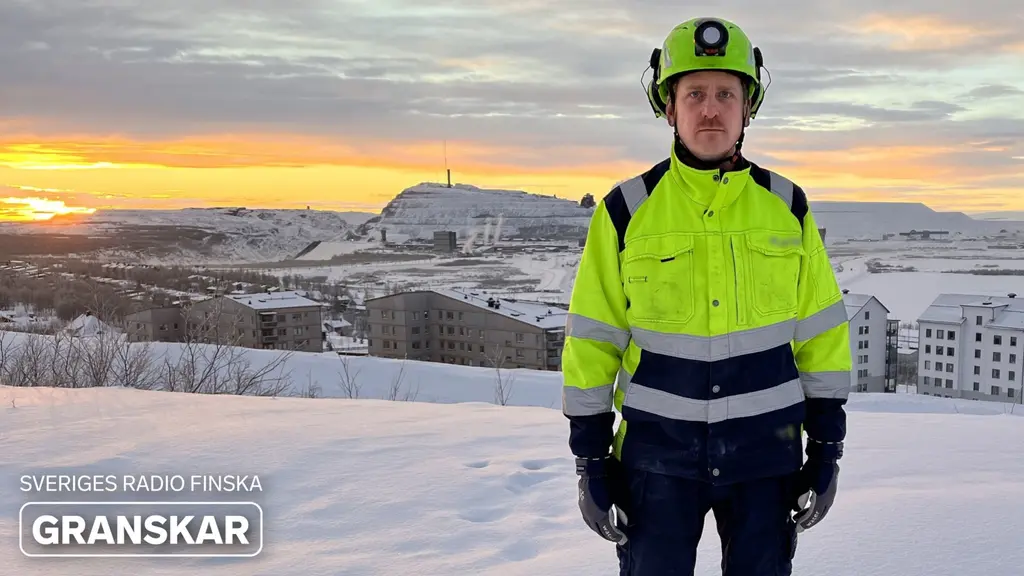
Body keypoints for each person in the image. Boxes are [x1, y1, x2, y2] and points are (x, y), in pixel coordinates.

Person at [561, 16, 852, 576]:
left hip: (765, 464)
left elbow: (821, 336)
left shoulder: (788, 207)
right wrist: (591, 462)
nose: (711, 108)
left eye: (726, 92)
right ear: (669, 108)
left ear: (749, 107)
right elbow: (593, 346)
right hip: (657, 466)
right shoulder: (624, 212)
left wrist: (826, 450)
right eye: (695, 93)